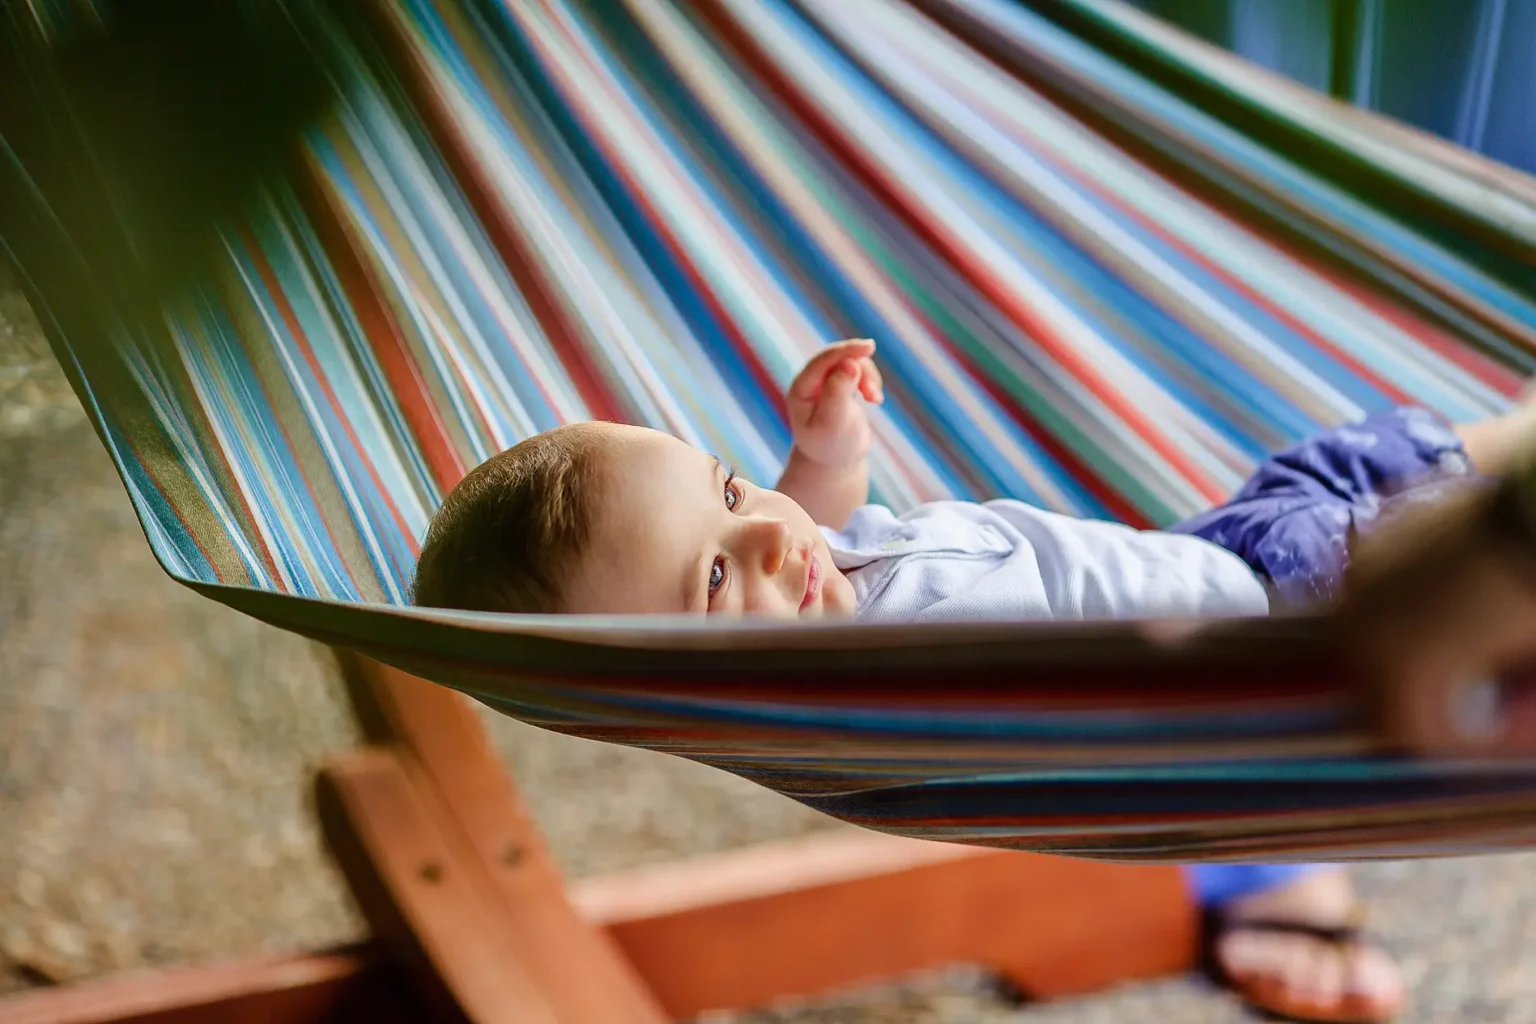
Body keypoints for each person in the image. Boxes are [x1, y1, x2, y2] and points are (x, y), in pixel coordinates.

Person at [413, 338, 1536, 1022]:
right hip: (1301, 627)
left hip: (1234, 543)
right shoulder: (842, 693)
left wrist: (827, 455)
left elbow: (816, 522)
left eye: (731, 484)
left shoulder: (807, 578)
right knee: (1456, 543)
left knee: (1375, 452)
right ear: (665, 693)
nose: (768, 536)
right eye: (712, 573)